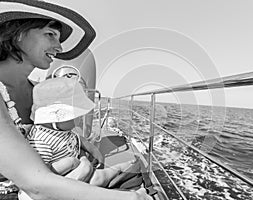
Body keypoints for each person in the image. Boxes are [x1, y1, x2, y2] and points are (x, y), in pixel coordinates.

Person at [0, 2, 152, 200]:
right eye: (50, 34)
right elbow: (37, 187)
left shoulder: (38, 91)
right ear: (17, 32)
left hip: (49, 182)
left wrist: (83, 144)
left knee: (134, 168)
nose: (59, 46)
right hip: (22, 192)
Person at [27, 77, 132, 187]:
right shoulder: (41, 142)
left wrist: (94, 152)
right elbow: (39, 175)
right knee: (98, 179)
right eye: (75, 116)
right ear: (55, 118)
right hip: (64, 182)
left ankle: (119, 170)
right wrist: (73, 164)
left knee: (99, 176)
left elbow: (79, 139)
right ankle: (119, 171)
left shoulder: (62, 130)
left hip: (79, 166)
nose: (80, 118)